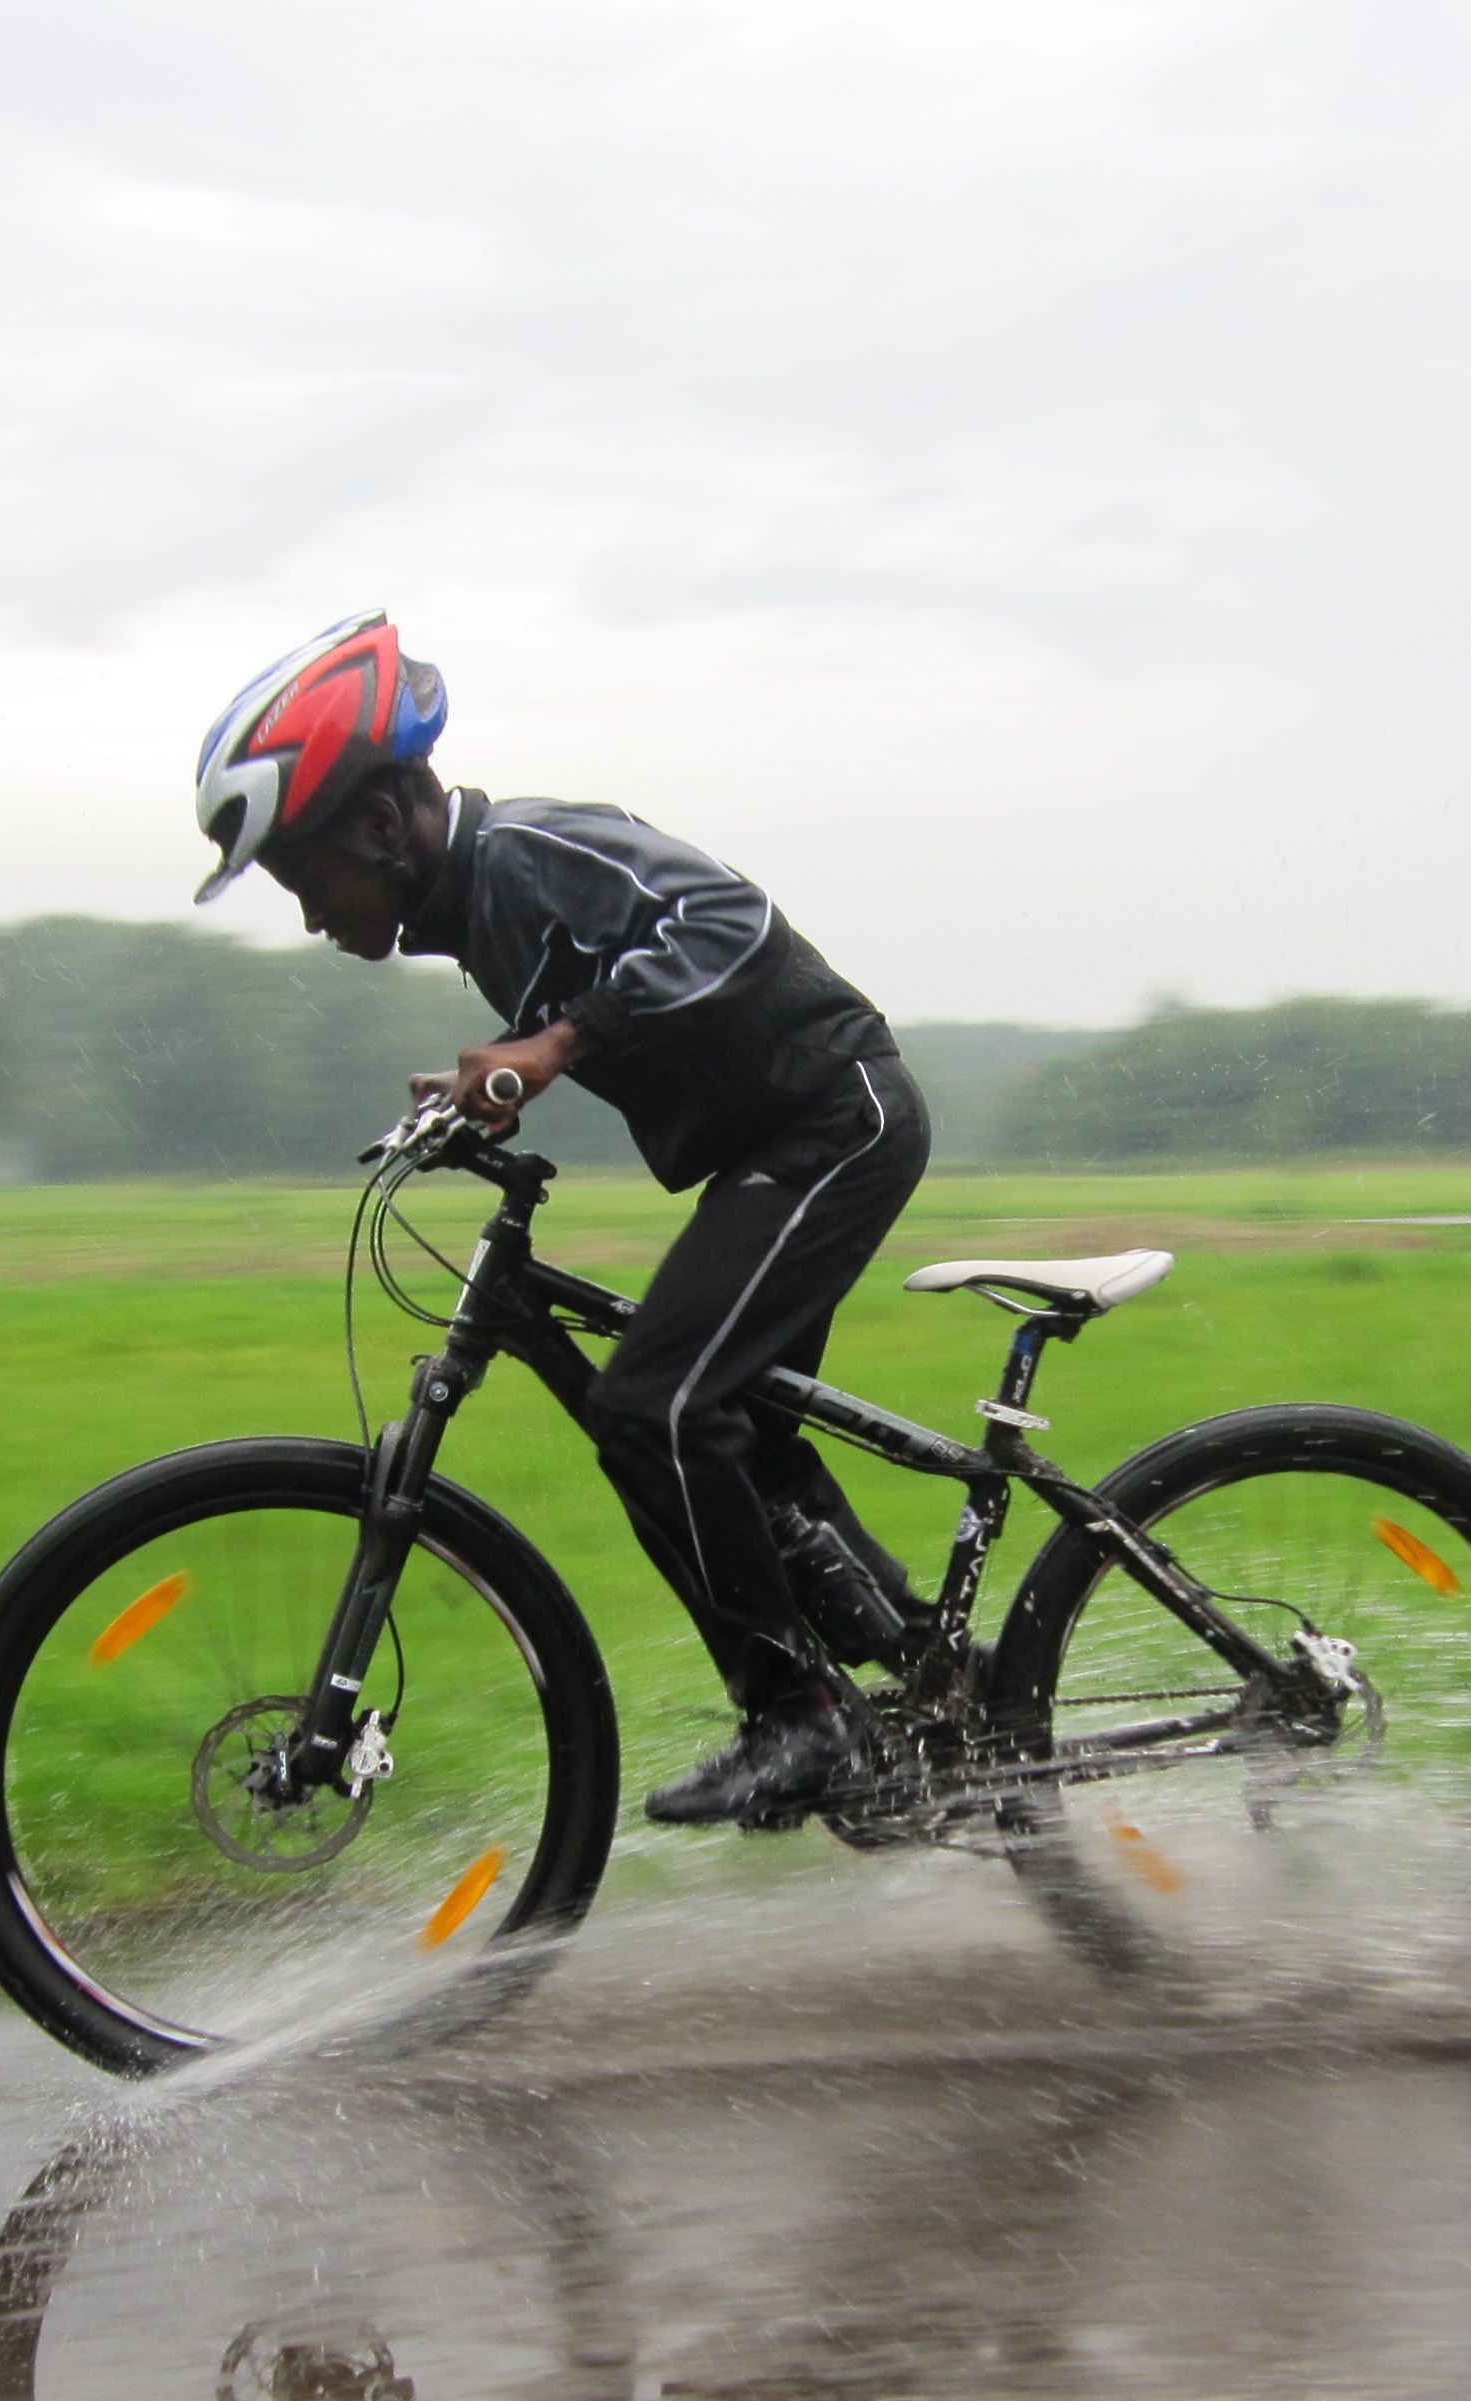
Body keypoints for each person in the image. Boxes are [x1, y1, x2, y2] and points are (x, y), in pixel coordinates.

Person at [192, 611, 933, 1828]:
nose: (309, 915)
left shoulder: (527, 848)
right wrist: (483, 1089)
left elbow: (728, 921)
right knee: (729, 1438)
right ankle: (930, 1676)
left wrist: (554, 1044)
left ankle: (800, 1716)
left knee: (659, 1404)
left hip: (831, 1122)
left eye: (303, 876)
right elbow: (611, 1005)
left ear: (380, 824)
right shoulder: (478, 909)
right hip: (775, 1146)